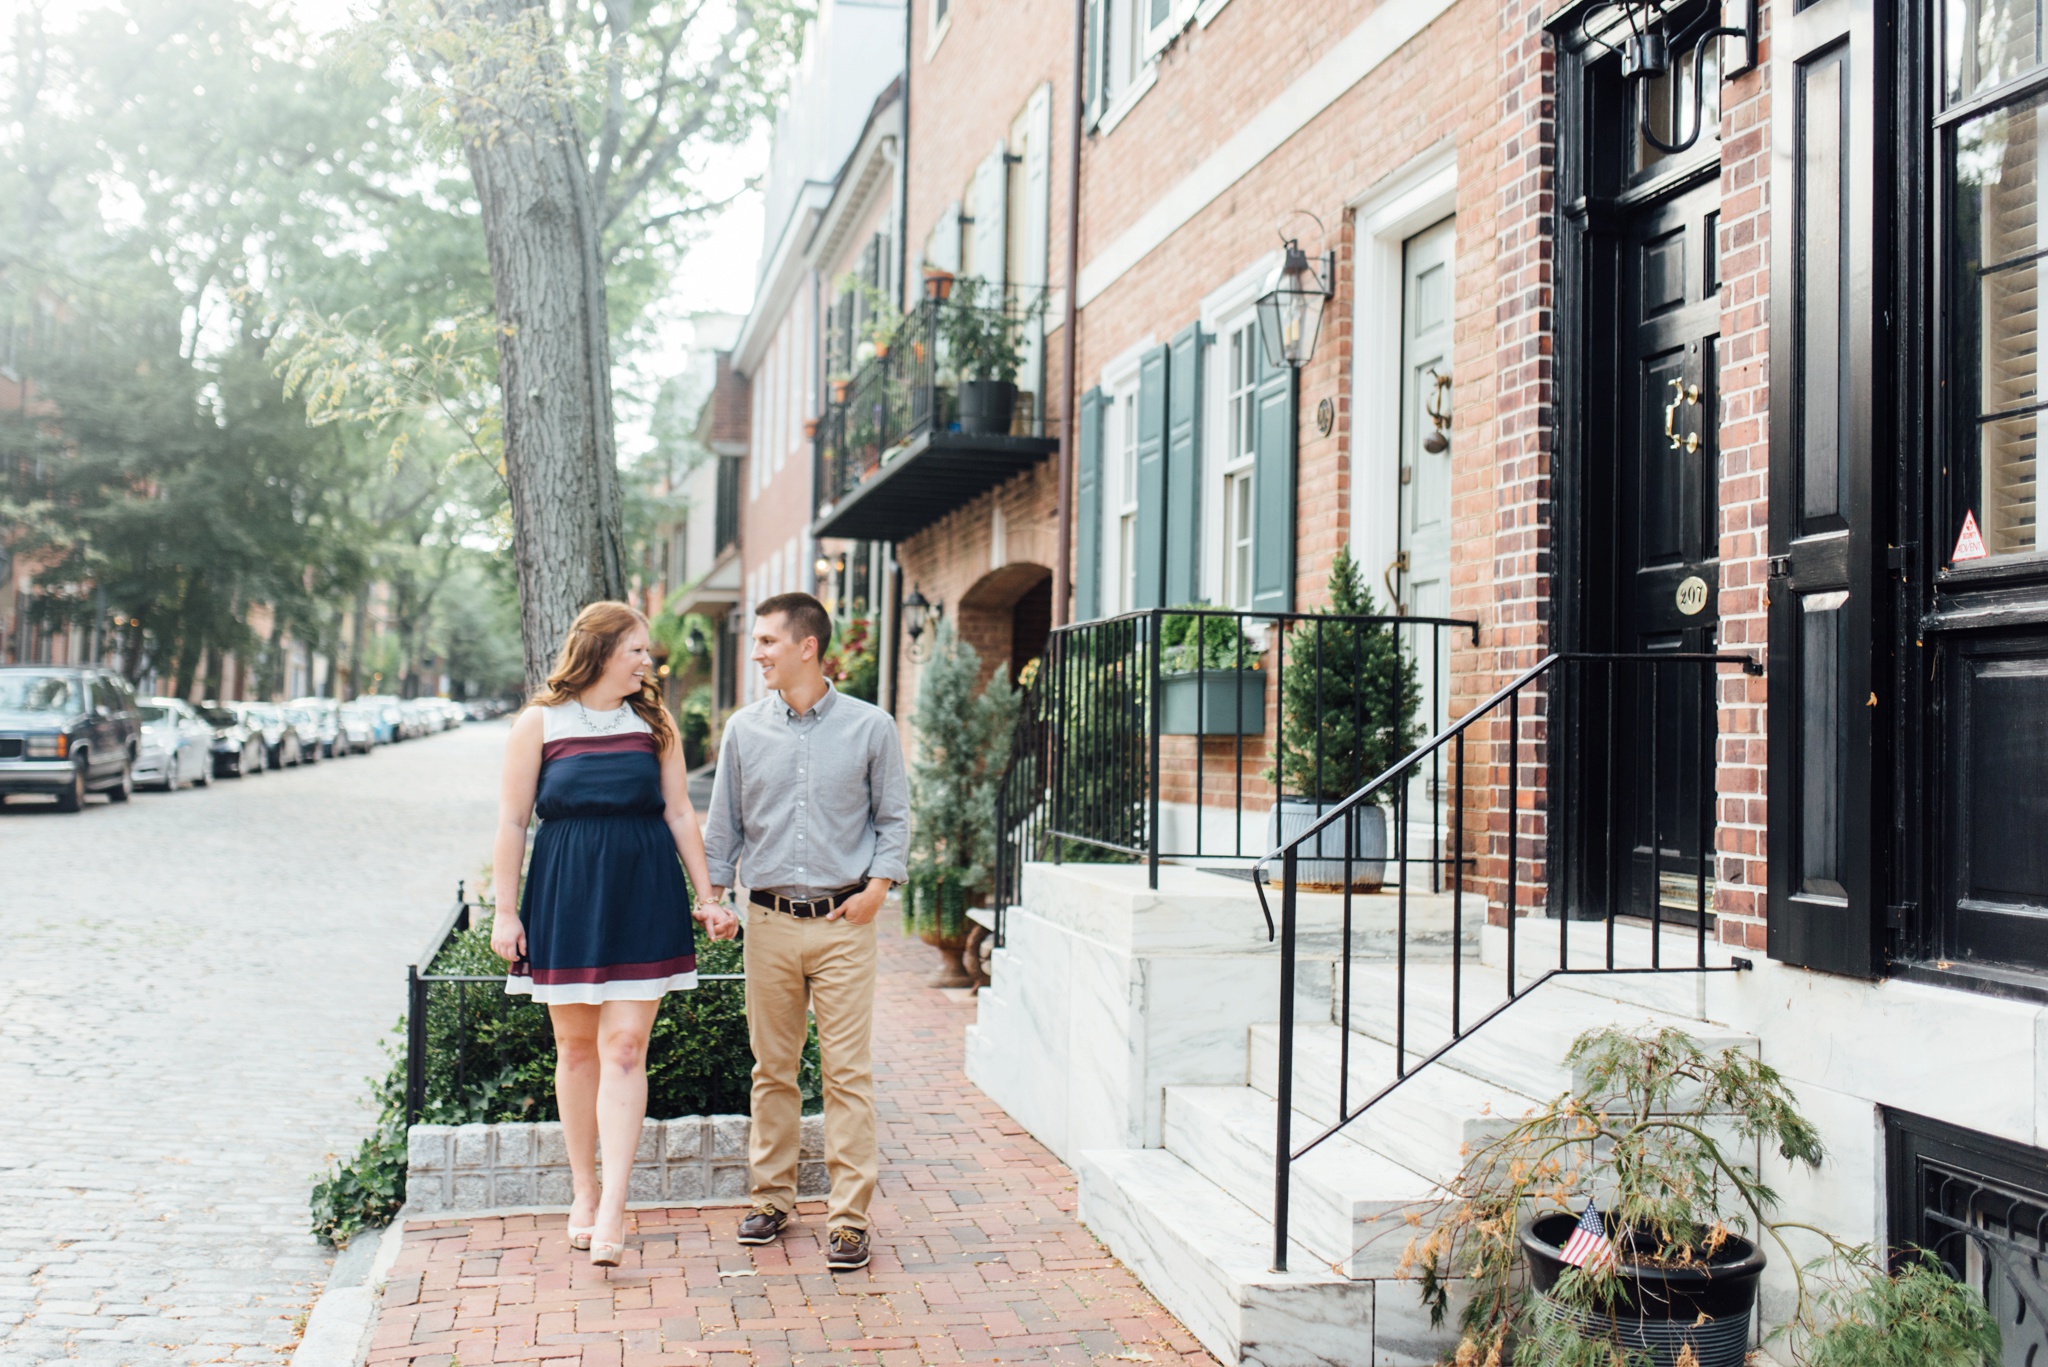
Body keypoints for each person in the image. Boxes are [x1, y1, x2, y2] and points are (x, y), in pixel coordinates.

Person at [489, 601, 739, 1269]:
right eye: (636, 649)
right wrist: (504, 910)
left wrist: (708, 896)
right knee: (575, 1050)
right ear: (599, 650)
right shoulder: (539, 722)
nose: (648, 661)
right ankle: (583, 1186)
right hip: (566, 894)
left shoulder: (653, 723)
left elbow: (682, 810)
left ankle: (615, 1204)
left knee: (626, 1045)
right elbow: (513, 821)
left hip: (641, 892)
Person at [703, 592, 908, 1272]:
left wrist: (877, 888)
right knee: (774, 1069)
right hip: (765, 921)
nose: (756, 651)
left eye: (766, 640)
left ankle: (849, 1218)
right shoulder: (743, 729)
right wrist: (713, 897)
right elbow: (723, 828)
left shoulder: (871, 727)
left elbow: (894, 818)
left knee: (848, 1073)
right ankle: (773, 1197)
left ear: (806, 647)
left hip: (845, 922)